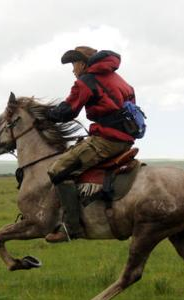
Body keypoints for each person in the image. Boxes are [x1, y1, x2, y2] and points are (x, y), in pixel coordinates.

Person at [44, 46, 136, 243]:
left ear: (83, 63)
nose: (72, 70)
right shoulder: (120, 80)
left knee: (58, 169)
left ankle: (71, 228)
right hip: (125, 140)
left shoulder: (86, 81)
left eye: (73, 64)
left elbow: (68, 111)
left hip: (106, 140)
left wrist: (46, 115)